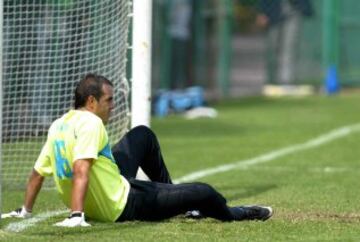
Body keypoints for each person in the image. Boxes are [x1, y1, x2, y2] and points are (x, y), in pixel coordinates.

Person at [4, 73, 273, 226]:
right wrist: (76, 216)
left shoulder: (59, 125)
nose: (112, 105)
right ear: (91, 100)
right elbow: (81, 169)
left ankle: (182, 206)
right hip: (123, 204)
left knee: (142, 135)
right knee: (204, 192)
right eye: (108, 100)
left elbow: (37, 174)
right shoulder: (92, 123)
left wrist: (25, 210)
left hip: (109, 188)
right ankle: (237, 213)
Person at [256, 0, 313, 85]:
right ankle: (274, 79)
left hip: (294, 12)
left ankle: (286, 81)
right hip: (274, 14)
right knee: (274, 47)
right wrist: (262, 12)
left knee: (289, 48)